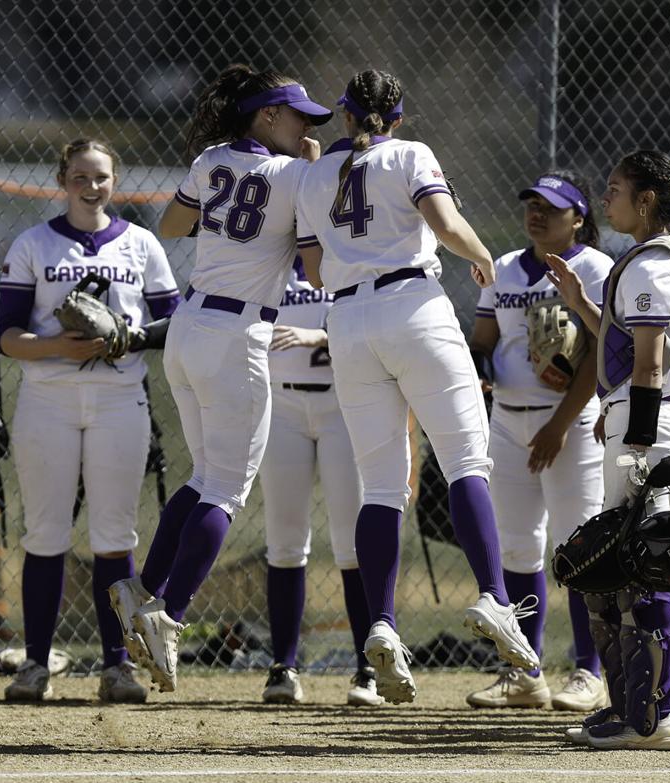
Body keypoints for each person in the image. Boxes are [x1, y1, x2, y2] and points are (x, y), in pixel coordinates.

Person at [294, 69, 539, 705]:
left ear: (345, 116)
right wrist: (481, 253)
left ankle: (380, 622)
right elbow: (444, 219)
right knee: (465, 461)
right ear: (397, 117)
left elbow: (315, 268)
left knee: (381, 484)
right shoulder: (410, 153)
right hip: (413, 305)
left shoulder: (314, 174)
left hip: (346, 321)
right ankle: (494, 597)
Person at [107, 64, 332, 693]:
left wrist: (235, 215)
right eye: (297, 117)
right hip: (240, 338)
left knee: (204, 475)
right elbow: (314, 273)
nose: (306, 127)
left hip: (187, 326)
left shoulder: (211, 158)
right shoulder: (295, 175)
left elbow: (172, 226)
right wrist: (306, 184)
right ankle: (168, 616)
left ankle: (142, 588)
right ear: (266, 116)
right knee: (228, 490)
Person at [0, 138, 181, 703]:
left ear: (113, 180)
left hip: (119, 399)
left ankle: (117, 665)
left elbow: (174, 321)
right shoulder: (34, 243)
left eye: (100, 176)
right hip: (48, 401)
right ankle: (34, 665)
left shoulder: (141, 243)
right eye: (80, 175)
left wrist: (130, 337)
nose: (91, 185)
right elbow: (7, 336)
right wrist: (58, 348)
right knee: (45, 534)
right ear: (63, 179)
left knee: (114, 537)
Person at [546, 150, 670, 751]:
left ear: (645, 202)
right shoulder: (653, 261)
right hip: (647, 419)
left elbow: (650, 362)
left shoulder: (652, 265)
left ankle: (652, 717)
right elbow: (625, 349)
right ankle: (637, 708)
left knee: (644, 564)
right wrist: (583, 303)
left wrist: (633, 434)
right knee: (629, 567)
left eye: (615, 190)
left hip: (652, 425)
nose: (605, 200)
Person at [466, 172, 612, 711]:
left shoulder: (594, 267)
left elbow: (600, 351)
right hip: (507, 420)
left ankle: (588, 670)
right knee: (517, 545)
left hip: (570, 425)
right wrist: (479, 369)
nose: (537, 214)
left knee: (578, 544)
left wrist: (559, 423)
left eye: (551, 208)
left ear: (578, 218)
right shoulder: (502, 268)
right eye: (531, 204)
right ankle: (524, 670)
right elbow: (484, 340)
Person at [256, 256, 379, 706]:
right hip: (282, 405)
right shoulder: (266, 263)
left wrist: (323, 335)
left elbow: (375, 329)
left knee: (352, 543)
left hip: (342, 406)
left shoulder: (351, 258)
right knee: (285, 541)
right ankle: (283, 666)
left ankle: (369, 666)